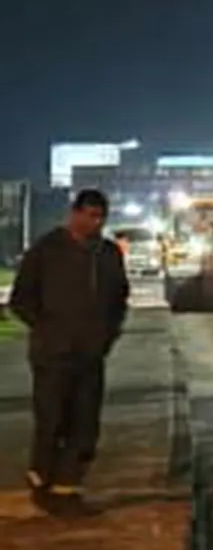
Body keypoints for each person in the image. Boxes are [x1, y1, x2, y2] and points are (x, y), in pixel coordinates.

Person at [10, 188, 129, 509]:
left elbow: (119, 298)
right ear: (74, 214)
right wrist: (49, 329)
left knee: (85, 423)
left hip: (91, 354)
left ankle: (68, 487)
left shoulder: (107, 254)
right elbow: (20, 300)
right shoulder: (47, 250)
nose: (96, 223)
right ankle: (42, 481)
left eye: (101, 217)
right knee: (52, 420)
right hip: (53, 355)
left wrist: (108, 334)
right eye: (90, 216)